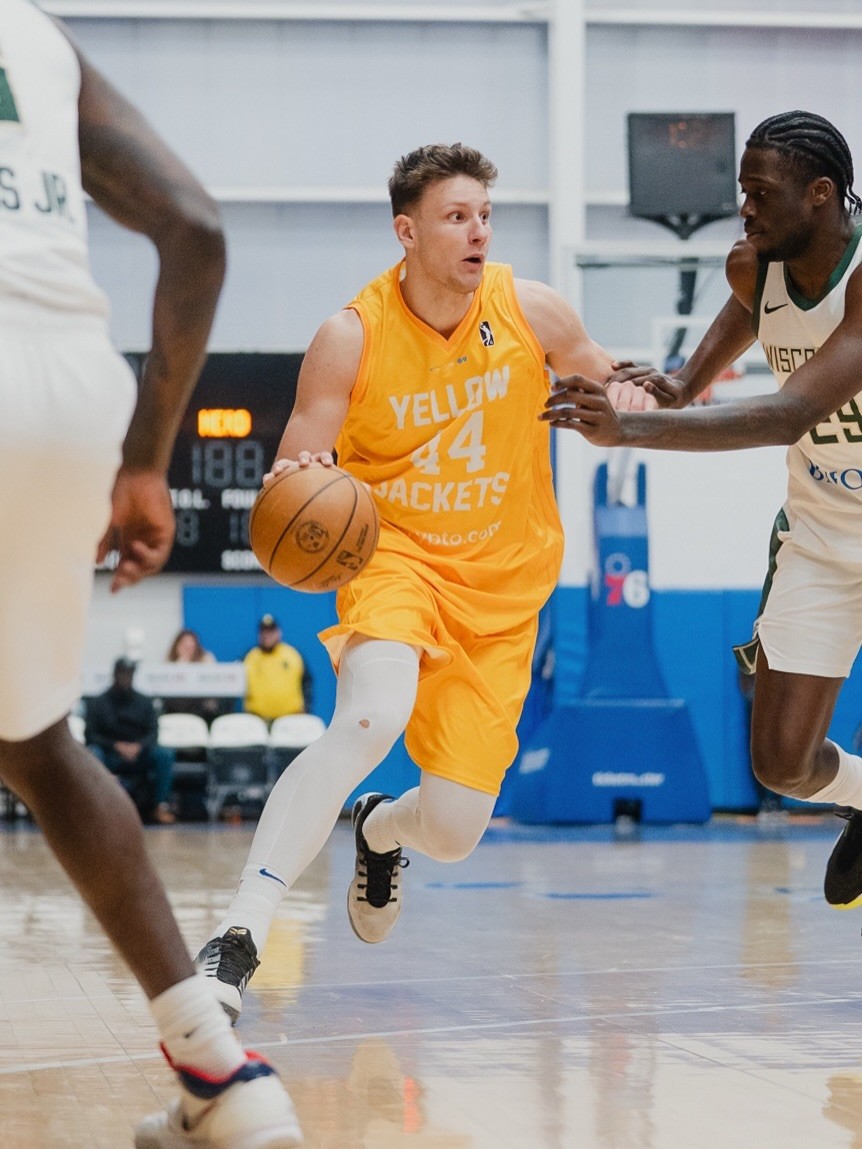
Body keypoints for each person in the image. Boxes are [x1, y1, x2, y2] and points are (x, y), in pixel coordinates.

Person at [195, 142, 652, 1021]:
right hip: (395, 559)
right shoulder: (351, 335)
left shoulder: (530, 310)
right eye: (456, 217)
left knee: (452, 831)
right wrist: (297, 480)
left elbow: (614, 379)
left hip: (503, 588)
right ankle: (240, 932)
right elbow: (298, 468)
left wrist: (639, 399)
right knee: (371, 715)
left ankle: (380, 826)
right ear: (407, 232)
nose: (478, 232)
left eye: (485, 215)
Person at [0, 4, 300, 1146]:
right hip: (70, 389)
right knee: (33, 743)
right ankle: (221, 1076)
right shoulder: (33, 34)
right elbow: (195, 230)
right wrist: (141, 463)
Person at [542, 109, 862, 913]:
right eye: (742, 191)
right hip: (824, 530)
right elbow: (738, 326)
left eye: (761, 193)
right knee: (782, 764)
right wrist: (678, 384)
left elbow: (787, 414)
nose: (744, 209)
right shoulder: (754, 267)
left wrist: (631, 431)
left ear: (821, 194)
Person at [85, 657, 177, 824]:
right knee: (93, 753)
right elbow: (90, 735)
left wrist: (138, 746)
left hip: (139, 754)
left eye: (129, 674)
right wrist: (116, 745)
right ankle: (96, 808)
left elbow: (153, 732)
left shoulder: (144, 702)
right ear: (115, 674)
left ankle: (159, 806)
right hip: (109, 754)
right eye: (123, 673)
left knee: (165, 755)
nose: (126, 677)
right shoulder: (98, 703)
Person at [243, 614, 311, 722]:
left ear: (279, 632)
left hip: (290, 719)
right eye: (264, 631)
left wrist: (307, 707)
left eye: (271, 631)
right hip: (257, 720)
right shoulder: (250, 657)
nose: (267, 635)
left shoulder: (293, 655)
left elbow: (307, 682)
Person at [163, 627, 226, 721]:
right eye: (184, 646)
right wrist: (181, 666)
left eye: (191, 647)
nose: (187, 650)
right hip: (175, 708)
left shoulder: (205, 660)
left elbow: (212, 688)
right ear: (176, 646)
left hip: (200, 710)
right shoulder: (168, 664)